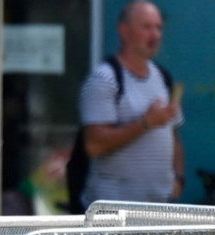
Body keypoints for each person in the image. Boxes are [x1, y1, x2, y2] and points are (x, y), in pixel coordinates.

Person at [79, 0, 185, 205]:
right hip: (113, 213)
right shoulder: (105, 79)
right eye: (146, 27)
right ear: (124, 31)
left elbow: (173, 135)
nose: (155, 35)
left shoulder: (163, 77)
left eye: (159, 28)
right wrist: (145, 123)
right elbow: (94, 145)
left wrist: (179, 179)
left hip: (158, 210)